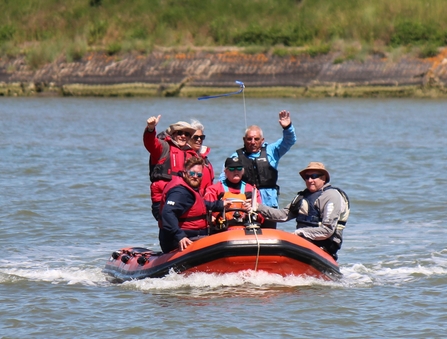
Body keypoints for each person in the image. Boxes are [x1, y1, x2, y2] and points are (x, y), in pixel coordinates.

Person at [250, 162, 350, 260]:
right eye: (307, 177)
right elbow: (283, 215)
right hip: (304, 242)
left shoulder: (331, 196)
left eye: (314, 176)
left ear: (323, 178)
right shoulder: (302, 197)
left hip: (324, 245)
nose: (310, 180)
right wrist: (258, 207)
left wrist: (299, 233)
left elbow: (327, 230)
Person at [219, 110, 296, 228]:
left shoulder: (272, 151)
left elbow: (289, 141)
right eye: (249, 139)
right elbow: (223, 179)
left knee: (268, 234)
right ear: (244, 140)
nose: (253, 142)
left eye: (256, 139)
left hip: (269, 205)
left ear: (262, 140)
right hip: (246, 204)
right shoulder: (236, 157)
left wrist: (287, 128)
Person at [158, 156, 230, 253]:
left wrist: (219, 205)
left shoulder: (189, 187)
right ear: (184, 173)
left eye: (199, 175)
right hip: (182, 239)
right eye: (192, 173)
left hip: (194, 235)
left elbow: (197, 205)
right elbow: (167, 213)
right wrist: (180, 236)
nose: (195, 176)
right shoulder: (179, 192)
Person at [143, 115, 197, 221]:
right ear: (173, 134)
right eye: (180, 133)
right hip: (163, 197)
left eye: (187, 134)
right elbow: (150, 143)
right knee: (169, 224)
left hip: (183, 196)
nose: (183, 136)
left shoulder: (192, 155)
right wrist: (150, 129)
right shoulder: (163, 147)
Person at [204, 156, 262, 231]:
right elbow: (206, 211)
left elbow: (260, 216)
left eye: (239, 169)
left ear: (243, 171)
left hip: (246, 229)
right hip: (222, 230)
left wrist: (252, 208)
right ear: (225, 172)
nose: (236, 171)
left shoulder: (251, 190)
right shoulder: (214, 190)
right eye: (232, 169)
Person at [188, 119, 215, 195]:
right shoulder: (185, 156)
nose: (199, 140)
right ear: (188, 138)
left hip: (208, 198)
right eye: (195, 137)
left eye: (201, 137)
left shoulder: (204, 157)